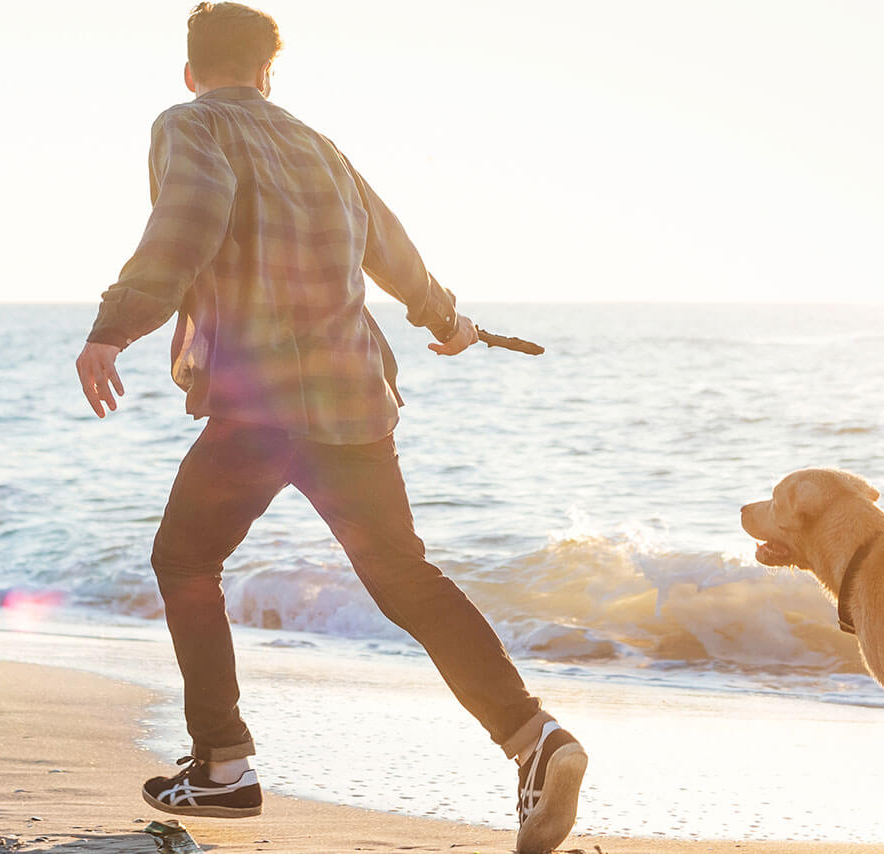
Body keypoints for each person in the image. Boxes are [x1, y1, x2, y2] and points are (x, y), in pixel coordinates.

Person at [70, 4, 585, 852]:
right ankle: (536, 741)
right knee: (406, 579)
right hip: (353, 400)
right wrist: (446, 317)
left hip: (262, 404)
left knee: (186, 561)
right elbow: (391, 243)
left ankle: (224, 768)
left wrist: (112, 326)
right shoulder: (318, 144)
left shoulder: (188, 125)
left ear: (192, 71)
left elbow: (188, 219)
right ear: (270, 73)